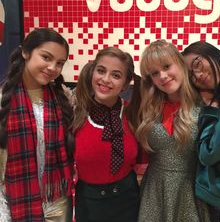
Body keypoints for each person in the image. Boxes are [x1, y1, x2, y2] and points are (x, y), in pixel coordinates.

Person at [0, 28, 74, 221]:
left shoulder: (63, 96)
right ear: (25, 52)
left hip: (56, 201)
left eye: (60, 63)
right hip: (12, 200)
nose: (52, 68)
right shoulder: (3, 99)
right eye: (46, 57)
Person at [136, 39, 210, 222]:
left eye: (167, 66)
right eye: (155, 73)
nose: (162, 75)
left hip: (190, 192)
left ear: (181, 64)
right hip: (154, 192)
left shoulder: (204, 105)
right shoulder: (149, 107)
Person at [73, 47, 140, 222]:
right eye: (101, 71)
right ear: (92, 72)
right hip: (88, 204)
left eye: (116, 75)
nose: (105, 79)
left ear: (126, 84)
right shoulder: (74, 112)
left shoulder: (134, 113)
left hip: (128, 201)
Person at [182, 41, 220, 222]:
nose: (198, 75)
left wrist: (210, 109)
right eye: (190, 76)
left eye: (197, 64)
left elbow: (208, 153)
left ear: (212, 54)